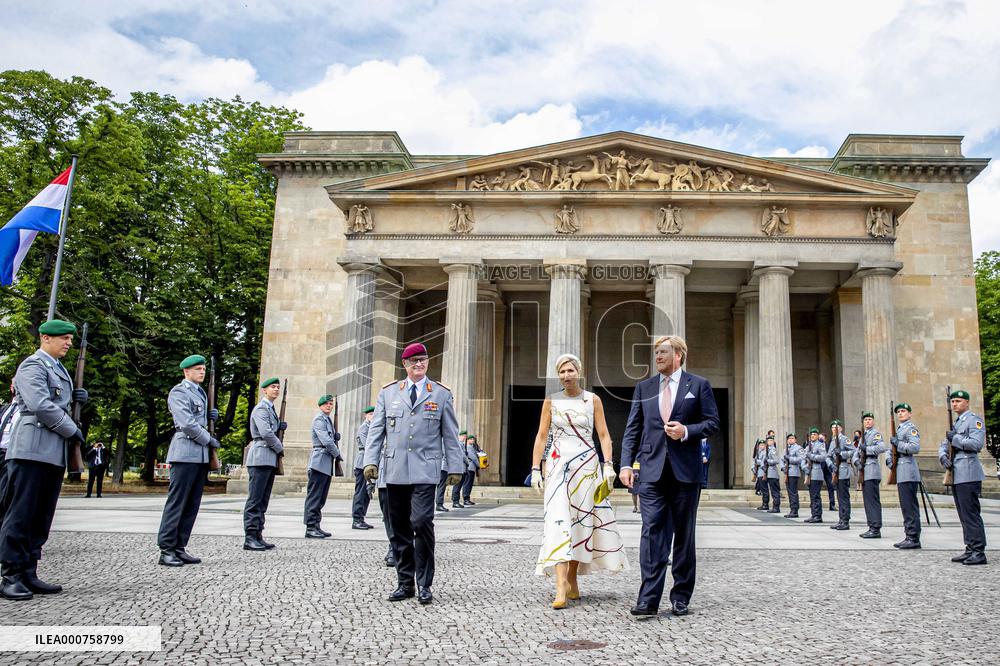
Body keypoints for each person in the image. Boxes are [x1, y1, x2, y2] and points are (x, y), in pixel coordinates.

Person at [621, 335, 720, 618]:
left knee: (684, 536)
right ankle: (648, 599)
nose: (658, 357)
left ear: (679, 355)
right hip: (651, 471)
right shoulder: (645, 387)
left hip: (685, 473)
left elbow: (712, 423)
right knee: (651, 533)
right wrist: (626, 464)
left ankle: (680, 596)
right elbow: (633, 428)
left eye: (663, 352)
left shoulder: (698, 385)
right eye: (656, 352)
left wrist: (687, 431)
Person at [362, 342, 464, 605]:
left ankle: (425, 583)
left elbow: (450, 434)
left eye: (423, 360)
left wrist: (455, 466)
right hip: (394, 470)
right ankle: (404, 583)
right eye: (414, 361)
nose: (419, 364)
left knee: (421, 522)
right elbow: (377, 432)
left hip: (425, 470)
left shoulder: (440, 394)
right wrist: (369, 461)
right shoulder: (389, 393)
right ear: (405, 365)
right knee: (399, 530)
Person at [0, 320, 88, 600]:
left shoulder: (58, 368)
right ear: (45, 338)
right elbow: (40, 405)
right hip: (30, 449)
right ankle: (10, 574)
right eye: (63, 338)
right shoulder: (32, 365)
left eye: (71, 339)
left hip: (51, 452)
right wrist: (71, 429)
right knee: (21, 514)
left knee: (41, 517)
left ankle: (29, 571)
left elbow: (57, 402)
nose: (68, 343)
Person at [531, 353, 627, 609]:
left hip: (586, 466)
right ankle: (560, 585)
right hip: (558, 465)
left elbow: (604, 435)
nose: (566, 375)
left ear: (579, 372)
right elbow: (541, 436)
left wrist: (609, 466)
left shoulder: (592, 400)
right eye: (562, 371)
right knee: (558, 520)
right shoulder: (551, 401)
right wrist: (535, 469)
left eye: (570, 370)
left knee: (582, 521)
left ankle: (573, 578)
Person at [155, 354, 220, 567]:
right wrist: (209, 439)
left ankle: (179, 547)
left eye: (203, 369)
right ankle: (166, 549)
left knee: (192, 504)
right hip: (185, 452)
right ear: (186, 371)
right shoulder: (179, 391)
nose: (202, 372)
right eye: (198, 369)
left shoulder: (200, 393)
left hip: (199, 455)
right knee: (177, 502)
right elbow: (187, 423)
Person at [939, 389, 987, 565]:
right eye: (953, 401)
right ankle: (970, 547)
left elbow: (976, 444)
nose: (955, 404)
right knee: (963, 514)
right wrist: (943, 456)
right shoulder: (957, 423)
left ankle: (979, 551)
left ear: (967, 402)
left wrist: (956, 438)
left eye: (958, 401)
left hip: (968, 472)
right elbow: (944, 444)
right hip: (957, 473)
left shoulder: (973, 420)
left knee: (971, 513)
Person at [243, 377, 285, 551]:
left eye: (277, 387)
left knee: (263, 499)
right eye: (272, 387)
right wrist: (279, 446)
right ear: (264, 390)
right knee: (255, 499)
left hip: (268, 458)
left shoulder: (271, 408)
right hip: (261, 456)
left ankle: (258, 534)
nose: (276, 390)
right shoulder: (261, 408)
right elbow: (266, 433)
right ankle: (250, 536)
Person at [305, 394, 342, 538]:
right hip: (319, 461)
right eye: (326, 403)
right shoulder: (319, 419)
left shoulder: (327, 420)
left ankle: (316, 524)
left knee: (321, 497)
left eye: (331, 404)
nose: (329, 406)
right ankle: (310, 526)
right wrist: (337, 453)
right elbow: (326, 441)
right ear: (320, 405)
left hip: (325, 462)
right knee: (314, 496)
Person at [890, 403, 921, 549]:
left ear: (910, 414)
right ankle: (909, 535)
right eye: (899, 412)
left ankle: (913, 537)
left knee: (910, 506)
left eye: (903, 411)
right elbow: (894, 451)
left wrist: (899, 443)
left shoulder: (911, 428)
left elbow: (915, 448)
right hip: (902, 470)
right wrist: (891, 462)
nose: (900, 414)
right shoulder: (900, 429)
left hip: (908, 470)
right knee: (905, 506)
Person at [854, 411, 888, 539]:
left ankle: (875, 528)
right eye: (865, 420)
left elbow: (882, 447)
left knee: (872, 501)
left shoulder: (875, 434)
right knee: (868, 501)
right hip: (864, 470)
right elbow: (856, 453)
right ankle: (871, 526)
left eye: (869, 419)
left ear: (873, 421)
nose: (868, 421)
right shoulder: (863, 436)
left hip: (872, 470)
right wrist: (857, 462)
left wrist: (866, 449)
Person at [0, 381, 22, 518]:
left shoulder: (30, 409)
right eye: (15, 383)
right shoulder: (4, 409)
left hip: (13, 455)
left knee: (5, 497)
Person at [829, 420, 853, 530]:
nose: (835, 429)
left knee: (844, 496)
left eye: (837, 427)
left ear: (841, 429)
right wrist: (831, 465)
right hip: (836, 470)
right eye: (833, 428)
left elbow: (853, 451)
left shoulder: (844, 439)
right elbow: (828, 456)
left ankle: (845, 520)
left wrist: (842, 454)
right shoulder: (833, 440)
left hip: (843, 469)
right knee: (839, 496)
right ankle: (841, 519)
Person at [803, 428, 827, 523]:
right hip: (809, 473)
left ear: (817, 435)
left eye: (814, 434)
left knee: (816, 495)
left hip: (817, 472)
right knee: (812, 495)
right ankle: (813, 514)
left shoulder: (820, 445)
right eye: (811, 435)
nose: (812, 436)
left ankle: (818, 515)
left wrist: (812, 456)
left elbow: (823, 457)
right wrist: (805, 467)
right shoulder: (807, 446)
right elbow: (803, 458)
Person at [437, 430, 465, 511]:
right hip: (443, 466)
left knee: (441, 486)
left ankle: (439, 503)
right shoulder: (443, 440)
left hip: (444, 466)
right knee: (441, 486)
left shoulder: (444, 440)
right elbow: (445, 453)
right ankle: (439, 504)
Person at [782, 433, 803, 518]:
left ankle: (795, 510)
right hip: (787, 472)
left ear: (795, 440)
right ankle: (792, 509)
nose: (790, 440)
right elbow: (781, 459)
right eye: (789, 438)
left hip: (794, 472)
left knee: (793, 492)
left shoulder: (798, 448)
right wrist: (783, 468)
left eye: (792, 438)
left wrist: (790, 459)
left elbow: (801, 459)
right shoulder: (786, 449)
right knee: (790, 492)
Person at [450, 431, 470, 509]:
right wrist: (468, 462)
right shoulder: (459, 444)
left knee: (459, 485)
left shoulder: (462, 444)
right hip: (459, 468)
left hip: (462, 468)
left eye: (465, 436)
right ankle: (455, 501)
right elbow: (462, 455)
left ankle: (456, 501)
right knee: (457, 485)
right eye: (463, 436)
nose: (464, 438)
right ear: (459, 436)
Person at [459, 434, 480, 505]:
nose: (473, 440)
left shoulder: (472, 447)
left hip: (472, 468)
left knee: (469, 484)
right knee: (467, 484)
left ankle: (467, 498)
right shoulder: (468, 447)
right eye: (471, 439)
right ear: (467, 440)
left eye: (473, 439)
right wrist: (479, 465)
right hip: (470, 468)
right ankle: (466, 499)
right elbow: (474, 458)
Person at [764, 436, 780, 513]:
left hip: (773, 472)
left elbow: (776, 460)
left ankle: (776, 507)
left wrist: (768, 460)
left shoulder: (773, 450)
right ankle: (775, 506)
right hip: (769, 473)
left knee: (774, 491)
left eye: (771, 440)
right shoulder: (768, 449)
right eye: (768, 440)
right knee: (772, 490)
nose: (769, 442)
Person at [821, 433, 837, 511]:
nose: (821, 439)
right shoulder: (816, 446)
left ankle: (832, 504)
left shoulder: (828, 446)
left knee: (830, 487)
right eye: (820, 438)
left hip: (827, 468)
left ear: (825, 439)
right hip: (819, 468)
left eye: (822, 438)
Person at [752, 439, 768, 510]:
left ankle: (765, 504)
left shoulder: (765, 453)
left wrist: (758, 462)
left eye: (763, 445)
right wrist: (754, 470)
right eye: (760, 445)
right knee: (762, 489)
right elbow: (754, 463)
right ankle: (763, 503)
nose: (762, 446)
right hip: (759, 473)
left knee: (764, 489)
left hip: (763, 473)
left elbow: (764, 463)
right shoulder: (758, 453)